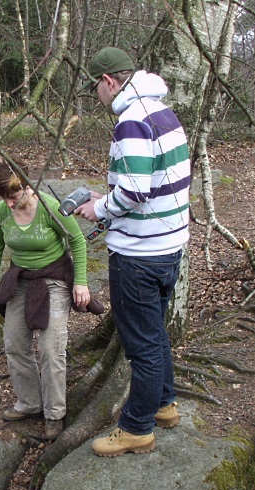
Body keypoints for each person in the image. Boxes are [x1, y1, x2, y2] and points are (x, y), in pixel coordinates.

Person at [74, 47, 191, 457]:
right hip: (168, 246)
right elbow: (155, 182)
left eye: (96, 89)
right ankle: (164, 404)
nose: (98, 98)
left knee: (141, 344)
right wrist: (104, 198)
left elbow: (135, 191)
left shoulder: (131, 121)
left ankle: (136, 427)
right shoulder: (162, 112)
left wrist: (98, 207)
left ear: (108, 81)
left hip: (139, 256)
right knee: (155, 333)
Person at [0, 159, 103, 441]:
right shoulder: (1, 211)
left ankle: (54, 413)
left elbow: (77, 241)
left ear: (28, 188)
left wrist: (82, 282)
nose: (9, 204)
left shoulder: (50, 207)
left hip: (54, 279)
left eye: (13, 198)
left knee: (51, 348)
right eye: (3, 199)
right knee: (14, 343)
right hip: (22, 280)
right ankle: (29, 403)